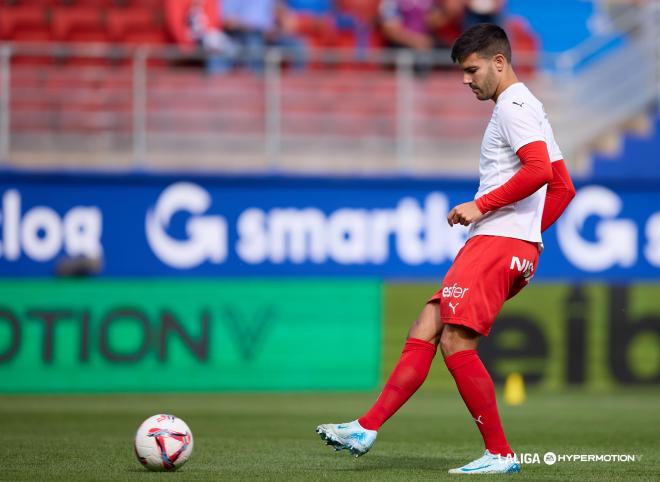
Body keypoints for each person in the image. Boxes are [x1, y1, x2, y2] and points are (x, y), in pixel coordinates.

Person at [316, 23, 576, 475]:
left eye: (472, 69)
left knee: (455, 341)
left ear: (499, 62)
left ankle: (499, 453)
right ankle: (366, 426)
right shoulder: (530, 104)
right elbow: (564, 187)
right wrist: (529, 238)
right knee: (430, 321)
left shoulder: (513, 107)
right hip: (510, 243)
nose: (465, 79)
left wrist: (484, 208)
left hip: (497, 241)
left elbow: (538, 173)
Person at [221, 0, 307, 72]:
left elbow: (282, 14)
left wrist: (283, 24)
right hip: (244, 35)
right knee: (254, 43)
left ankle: (296, 85)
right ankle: (256, 83)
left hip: (270, 35)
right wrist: (252, 27)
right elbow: (227, 22)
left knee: (298, 46)